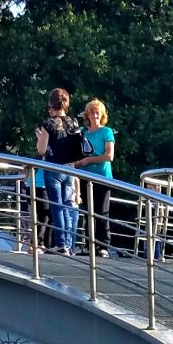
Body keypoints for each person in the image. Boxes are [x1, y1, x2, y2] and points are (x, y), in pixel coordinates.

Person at [35, 88, 80, 255]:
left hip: (53, 167)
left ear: (51, 102)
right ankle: (68, 243)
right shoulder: (73, 122)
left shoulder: (48, 123)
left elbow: (41, 150)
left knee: (57, 206)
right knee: (67, 205)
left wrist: (40, 138)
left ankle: (61, 244)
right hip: (69, 168)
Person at [73, 98, 115, 255]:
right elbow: (77, 152)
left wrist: (88, 160)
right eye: (91, 113)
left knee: (101, 211)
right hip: (85, 176)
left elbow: (109, 155)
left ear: (102, 115)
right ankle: (89, 244)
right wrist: (77, 162)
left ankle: (103, 245)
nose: (94, 115)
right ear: (87, 115)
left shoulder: (107, 131)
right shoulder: (83, 133)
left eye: (97, 113)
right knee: (88, 211)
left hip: (102, 177)